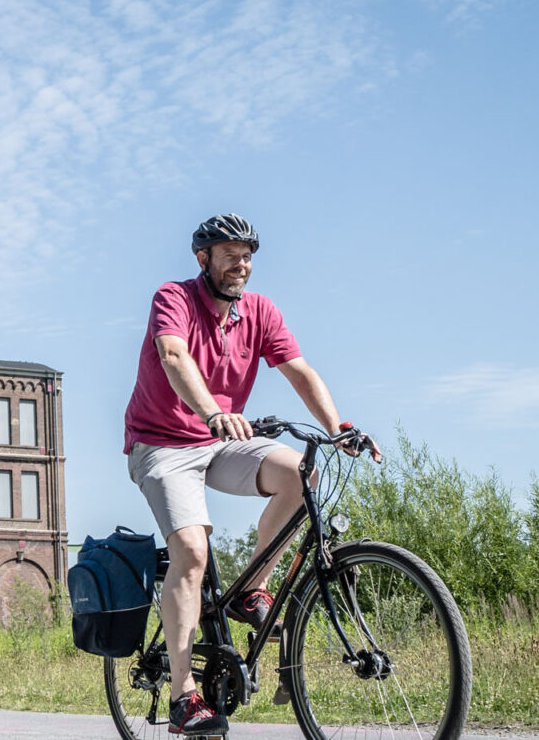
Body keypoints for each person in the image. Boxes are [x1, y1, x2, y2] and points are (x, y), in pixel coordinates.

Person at [123, 214, 382, 736]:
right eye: (229, 255)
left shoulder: (259, 312)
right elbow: (174, 356)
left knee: (299, 472)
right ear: (204, 259)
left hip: (219, 442)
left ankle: (250, 591)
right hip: (162, 443)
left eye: (247, 256)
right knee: (192, 551)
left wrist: (340, 428)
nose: (240, 264)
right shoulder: (173, 297)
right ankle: (182, 695)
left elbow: (300, 371)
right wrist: (211, 411)